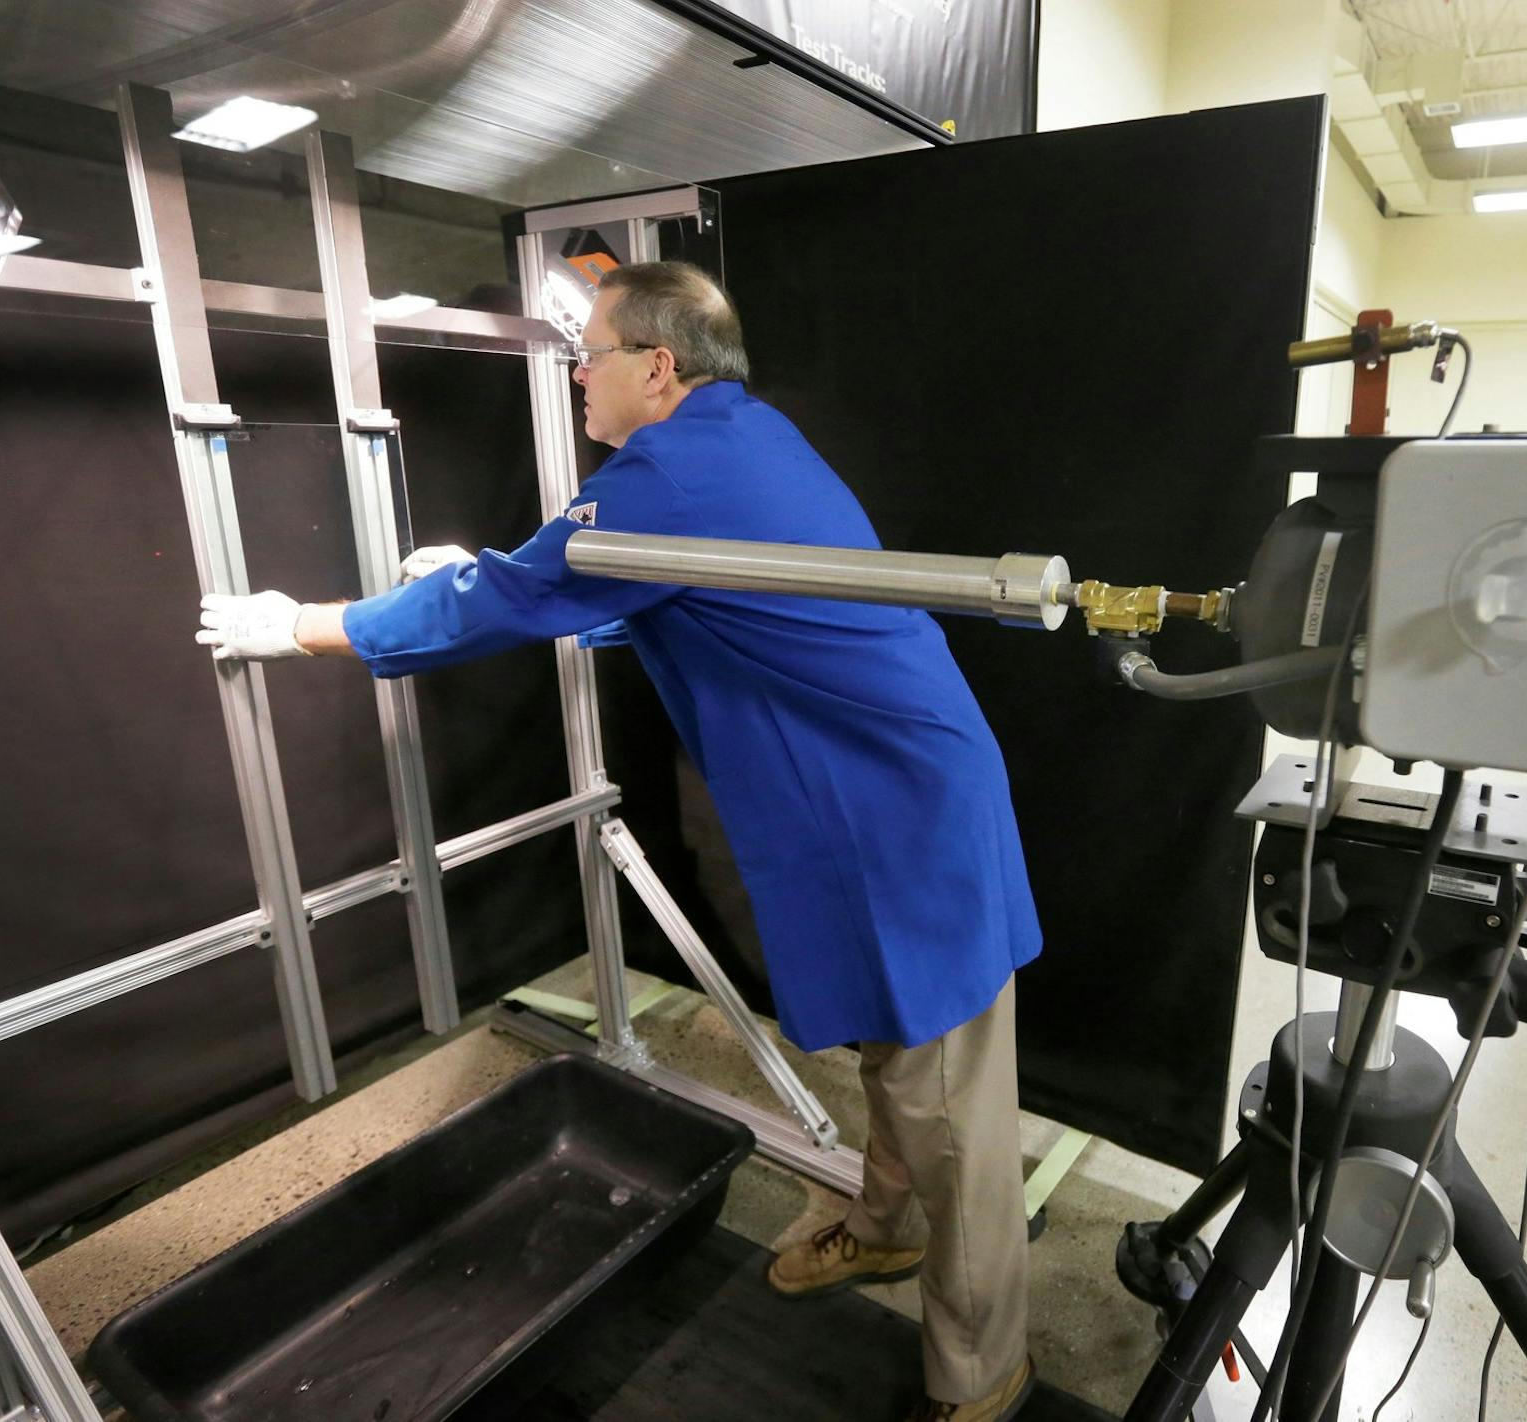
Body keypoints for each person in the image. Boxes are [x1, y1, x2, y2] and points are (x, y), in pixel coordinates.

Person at [195, 261, 1040, 1422]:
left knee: (952, 1105)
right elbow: (647, 585)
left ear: (656, 364)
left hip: (903, 818)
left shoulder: (676, 469)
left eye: (587, 353)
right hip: (873, 799)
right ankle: (887, 1231)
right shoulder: (741, 441)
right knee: (901, 1057)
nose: (577, 375)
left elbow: (511, 601)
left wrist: (303, 626)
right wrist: (497, 573)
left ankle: (984, 1367)